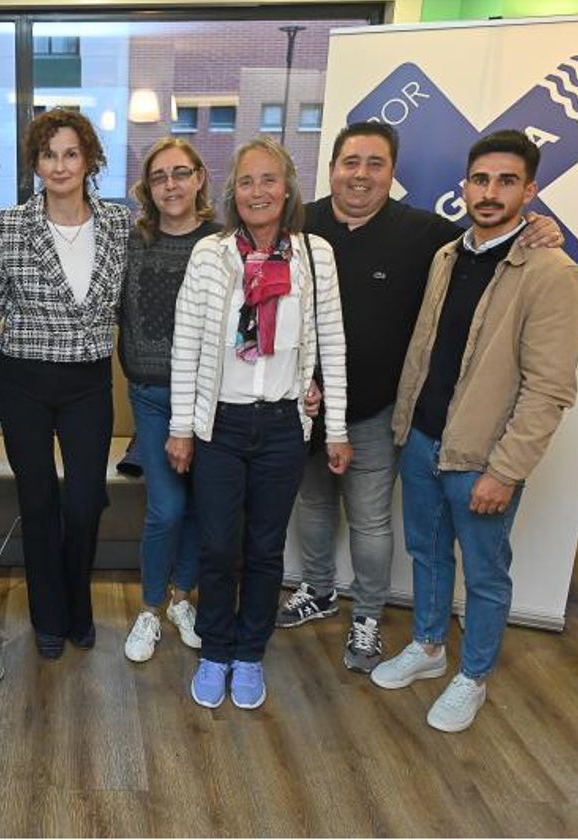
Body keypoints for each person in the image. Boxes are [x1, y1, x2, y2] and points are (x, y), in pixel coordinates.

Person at [278, 121, 563, 674]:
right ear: (332, 167)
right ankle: (317, 590)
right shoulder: (300, 225)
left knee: (370, 521)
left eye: (375, 164)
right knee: (312, 506)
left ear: (392, 172)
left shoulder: (427, 234)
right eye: (350, 162)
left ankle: (366, 615)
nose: (360, 175)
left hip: (378, 412)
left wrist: (541, 229)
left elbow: (495, 241)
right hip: (303, 409)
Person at [370, 130, 578, 732]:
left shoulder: (551, 272)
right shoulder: (450, 254)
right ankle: (431, 648)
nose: (490, 193)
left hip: (482, 457)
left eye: (507, 181)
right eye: (481, 180)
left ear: (531, 190)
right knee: (428, 553)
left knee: (486, 572)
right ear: (464, 186)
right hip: (423, 440)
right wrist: (406, 426)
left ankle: (475, 676)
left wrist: (504, 470)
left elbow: (549, 388)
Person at [169, 137, 351, 710]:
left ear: (289, 187)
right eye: (246, 182)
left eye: (269, 180)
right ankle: (216, 650)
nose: (258, 192)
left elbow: (331, 345)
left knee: (266, 550)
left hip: (281, 426)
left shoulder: (315, 255)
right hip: (219, 425)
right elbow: (187, 345)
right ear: (231, 193)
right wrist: (180, 425)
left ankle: (250, 653)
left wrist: (337, 425)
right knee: (220, 547)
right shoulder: (210, 254)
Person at [0, 108, 129, 659]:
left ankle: (79, 602)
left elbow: (132, 303)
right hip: (23, 378)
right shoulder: (9, 224)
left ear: (89, 158)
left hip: (89, 381)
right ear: (36, 163)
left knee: (86, 500)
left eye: (72, 153)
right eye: (50, 154)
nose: (61, 164)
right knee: (39, 499)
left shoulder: (118, 224)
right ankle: (49, 614)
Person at [119, 137, 221, 663]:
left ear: (200, 177)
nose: (171, 185)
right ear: (148, 187)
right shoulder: (132, 241)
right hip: (153, 397)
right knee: (167, 508)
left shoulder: (224, 244)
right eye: (160, 177)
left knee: (202, 507)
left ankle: (184, 599)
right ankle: (150, 608)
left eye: (181, 173)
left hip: (214, 400)